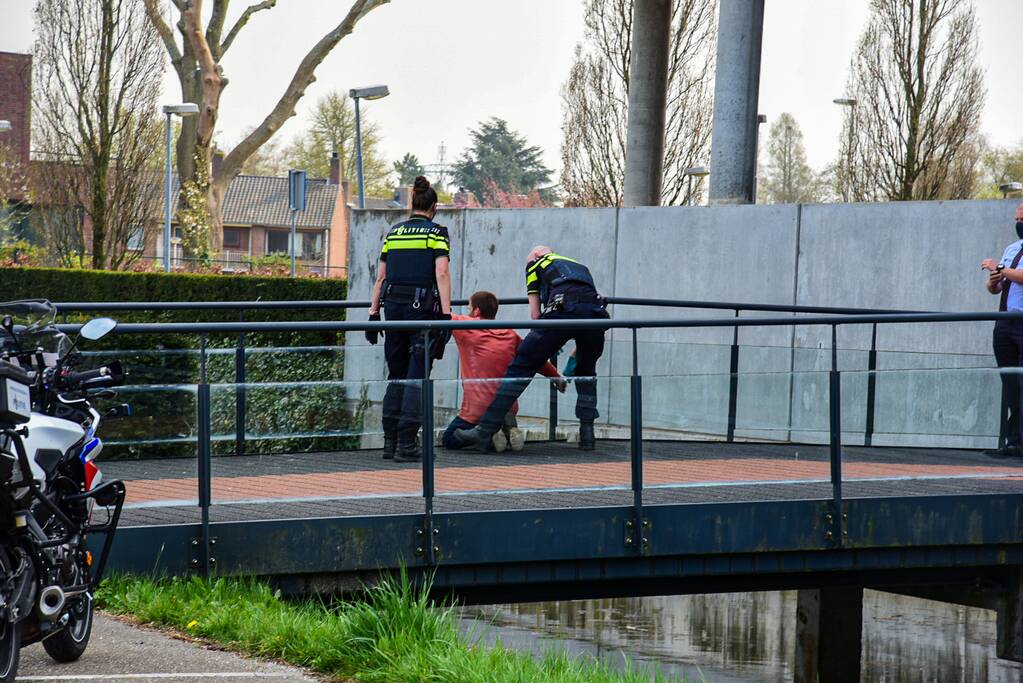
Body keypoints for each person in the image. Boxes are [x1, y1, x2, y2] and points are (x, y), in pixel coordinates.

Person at [455, 246, 609, 451]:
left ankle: (485, 430)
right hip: (595, 317)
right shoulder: (579, 266)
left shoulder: (534, 264)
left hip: (562, 313)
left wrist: (544, 343)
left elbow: (535, 315)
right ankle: (587, 434)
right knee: (586, 372)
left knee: (521, 367)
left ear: (536, 255)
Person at [366, 176, 452, 462]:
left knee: (397, 375)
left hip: (392, 310)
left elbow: (381, 277)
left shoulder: (394, 233)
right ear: (434, 207)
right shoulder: (436, 233)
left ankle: (389, 442)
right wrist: (447, 314)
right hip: (421, 311)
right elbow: (441, 273)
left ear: (412, 203)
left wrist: (373, 314)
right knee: (417, 375)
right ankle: (407, 444)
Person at [442, 290, 565, 452]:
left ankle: (491, 436)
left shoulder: (466, 326)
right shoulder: (509, 333)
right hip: (507, 404)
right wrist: (555, 376)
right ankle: (502, 426)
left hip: (477, 410)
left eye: (469, 308)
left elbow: (442, 315)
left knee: (449, 438)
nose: (468, 311)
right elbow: (533, 357)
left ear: (476, 311)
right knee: (502, 401)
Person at [982, 203, 1023, 458]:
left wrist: (999, 268)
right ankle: (1013, 440)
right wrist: (994, 281)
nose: (1018, 223)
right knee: (1010, 383)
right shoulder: (1012, 248)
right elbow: (995, 287)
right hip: (1004, 322)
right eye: (1017, 218)